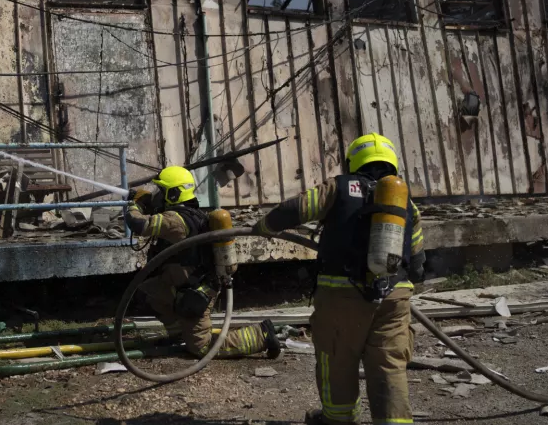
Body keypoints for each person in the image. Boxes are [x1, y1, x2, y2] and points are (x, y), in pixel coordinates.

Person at [254, 133, 426, 425]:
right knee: (389, 364)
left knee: (337, 359)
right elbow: (418, 263)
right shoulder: (405, 202)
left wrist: (264, 227)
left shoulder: (339, 187)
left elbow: (294, 210)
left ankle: (338, 419)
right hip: (394, 297)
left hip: (343, 294)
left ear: (352, 162)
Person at [126, 165, 281, 359]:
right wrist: (149, 203)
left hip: (196, 292)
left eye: (162, 191)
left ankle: (262, 335)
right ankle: (177, 334)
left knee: (201, 347)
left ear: (173, 194)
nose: (158, 195)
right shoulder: (189, 215)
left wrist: (135, 205)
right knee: (149, 292)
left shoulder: (176, 221)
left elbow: (140, 225)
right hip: (180, 285)